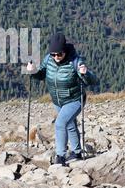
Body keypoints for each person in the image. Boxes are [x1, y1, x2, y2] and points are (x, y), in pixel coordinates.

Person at [27, 33, 99, 166]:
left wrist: (86, 73)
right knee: (70, 124)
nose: (56, 57)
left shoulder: (75, 61)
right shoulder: (48, 59)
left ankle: (60, 156)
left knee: (60, 123)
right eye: (53, 54)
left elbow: (93, 80)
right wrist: (33, 71)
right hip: (58, 100)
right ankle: (77, 152)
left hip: (75, 99)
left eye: (59, 54)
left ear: (64, 50)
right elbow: (41, 74)